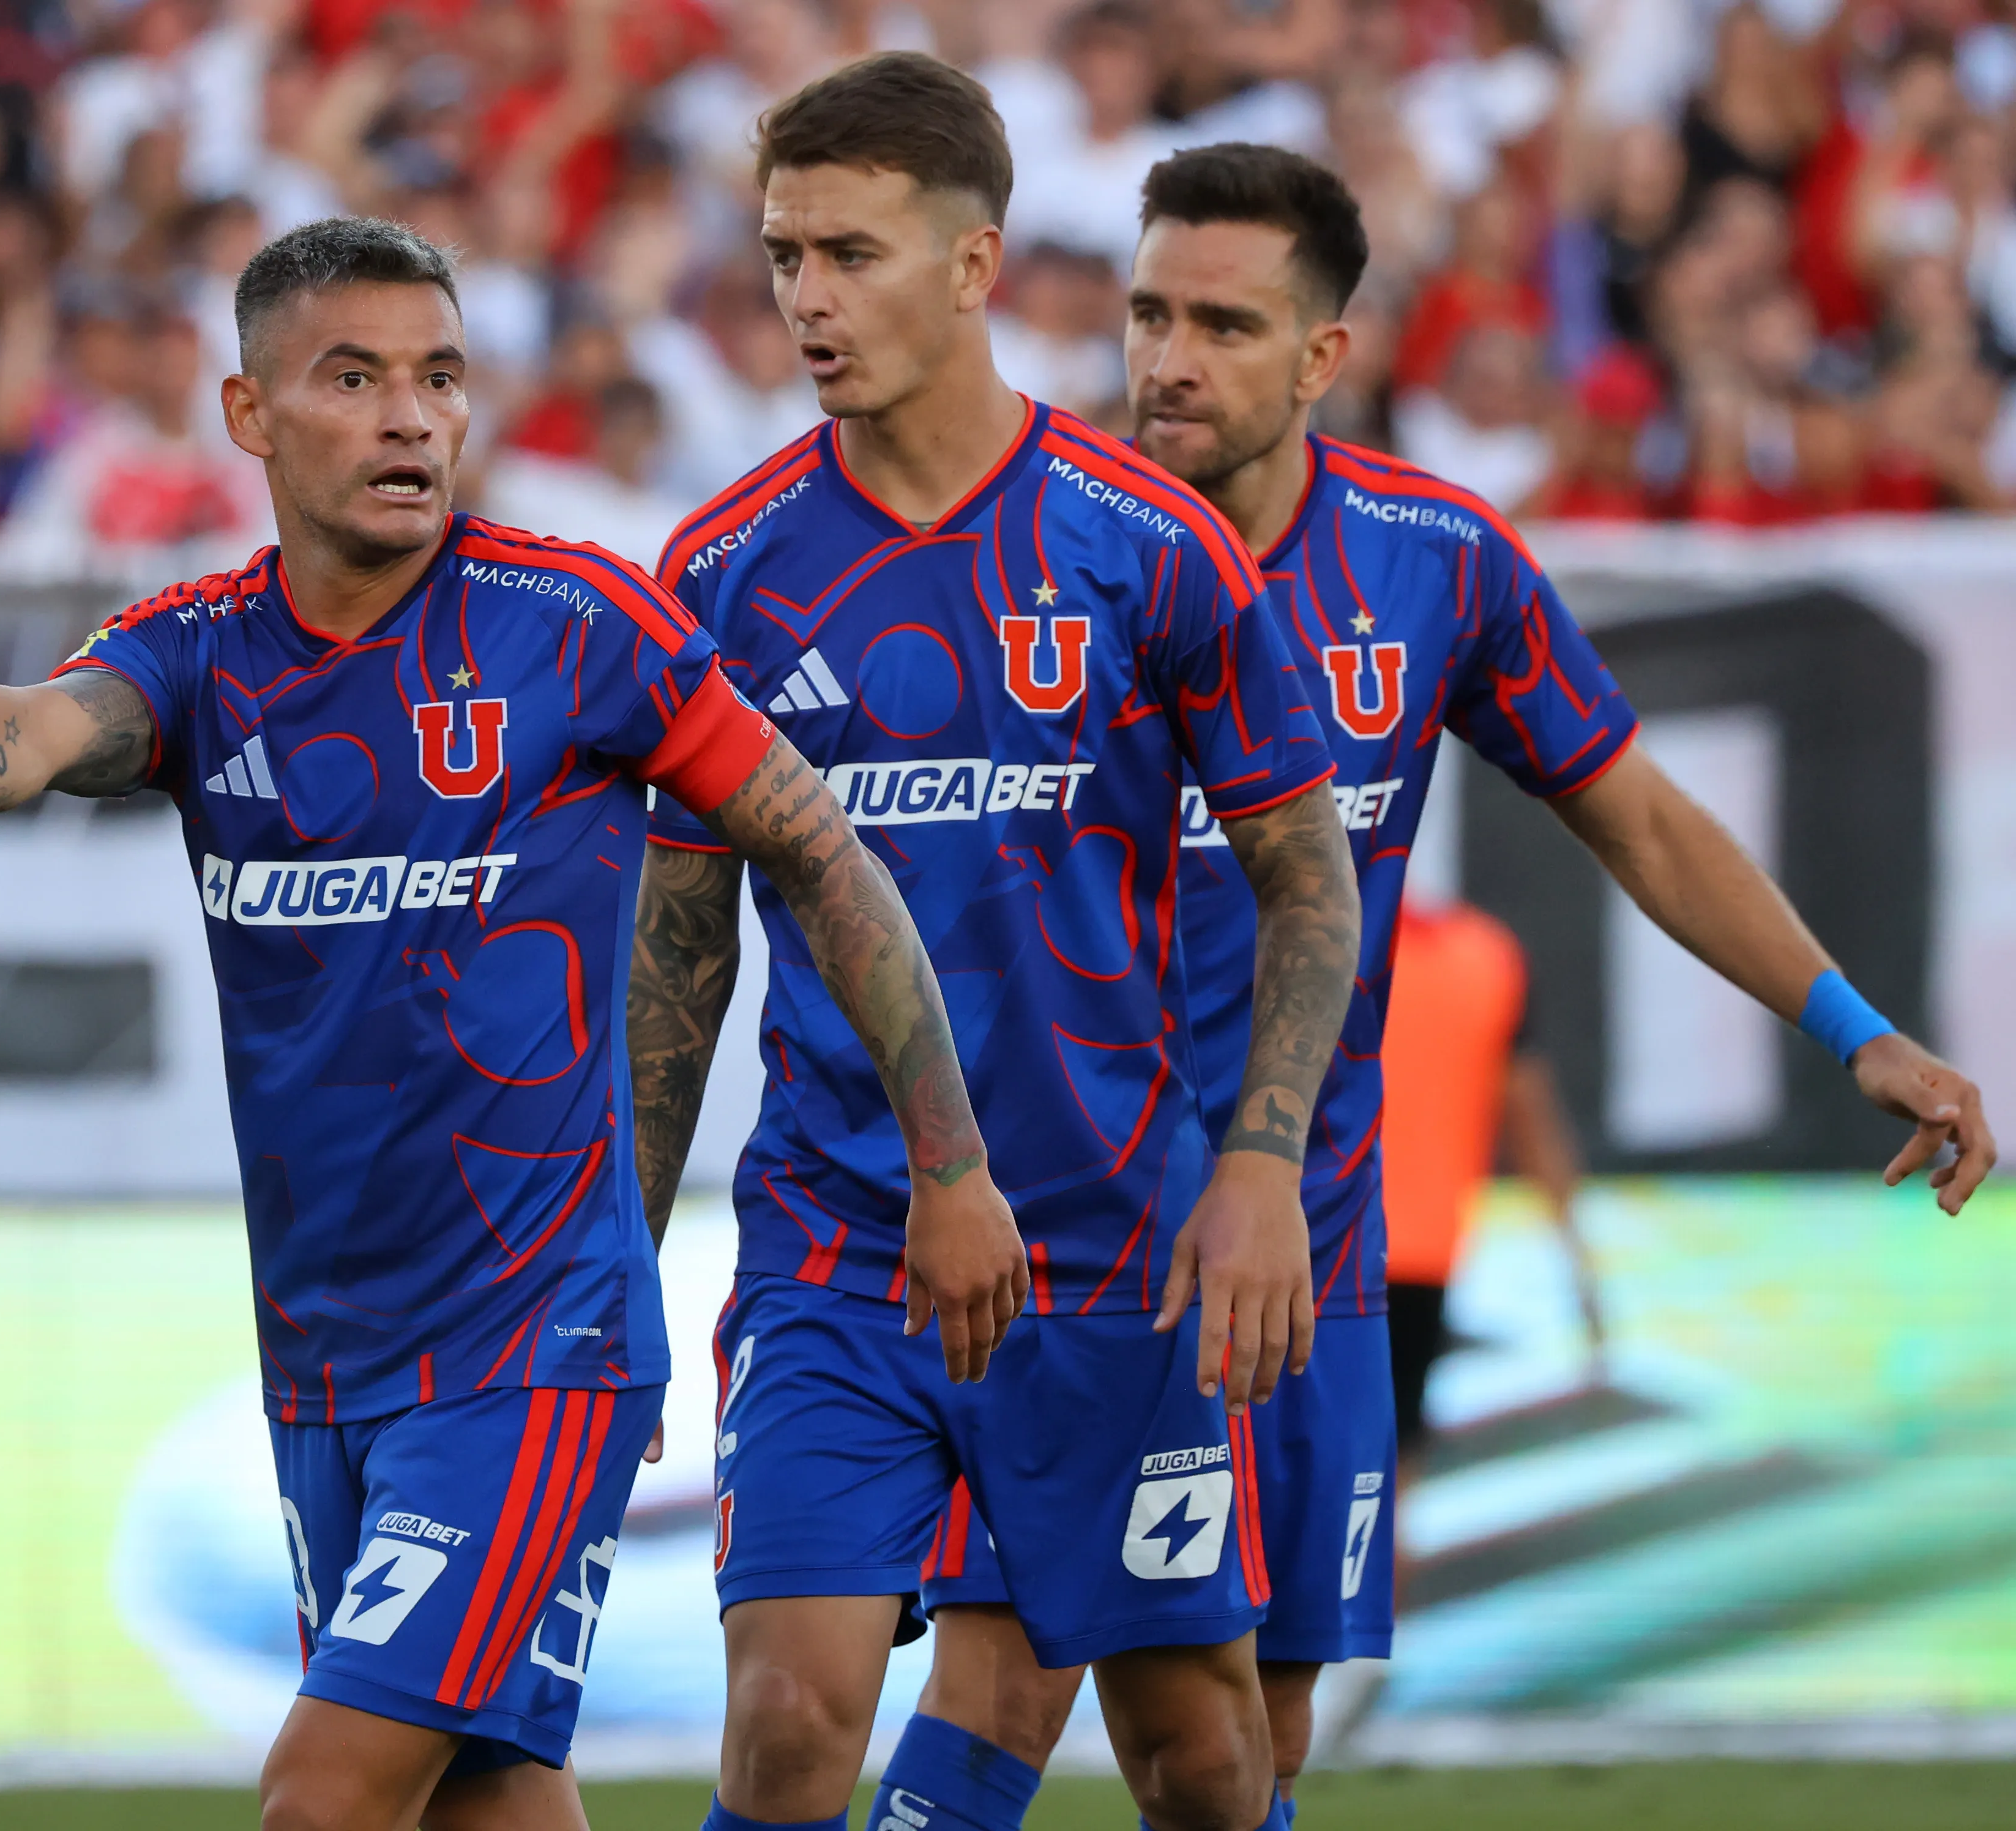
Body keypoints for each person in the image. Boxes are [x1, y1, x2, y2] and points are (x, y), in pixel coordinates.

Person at [0, 215, 1028, 1831]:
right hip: (329, 1367)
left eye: (440, 379)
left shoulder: (580, 625)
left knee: (321, 1804)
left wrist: (950, 1169)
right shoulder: (197, 658)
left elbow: (827, 853)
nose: (411, 418)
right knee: (489, 1804)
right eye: (354, 379)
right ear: (251, 415)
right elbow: (33, 727)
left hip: (530, 1353)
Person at [911, 142, 1996, 1822]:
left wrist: (1852, 1030)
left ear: (1324, 357)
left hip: (1307, 1243)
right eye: (1148, 314)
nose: (1169, 360)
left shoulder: (1434, 563)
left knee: (1240, 1749)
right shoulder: (1026, 551)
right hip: (1076, 1224)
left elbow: (1633, 812)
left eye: (1222, 322)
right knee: (996, 1686)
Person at [630, 59, 1359, 1831]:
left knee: (1199, 1759)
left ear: (972, 268)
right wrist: (618, 1268)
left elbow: (1307, 881)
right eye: (786, 253)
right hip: (837, 1246)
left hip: (1116, 1250)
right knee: (790, 1727)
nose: (808, 298)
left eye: (853, 253)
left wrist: (1262, 1158)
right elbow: (680, 959)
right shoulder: (723, 571)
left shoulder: (1149, 544)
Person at [1381, 892, 1602, 1472]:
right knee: (1385, 1483)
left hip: (1301, 1248)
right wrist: (1579, 1264)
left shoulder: (1279, 931)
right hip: (1419, 1257)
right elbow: (1533, 1121)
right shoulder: (1481, 953)